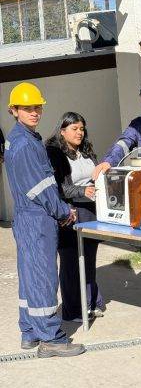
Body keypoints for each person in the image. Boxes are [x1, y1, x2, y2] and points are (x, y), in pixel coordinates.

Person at [4, 82, 85, 358]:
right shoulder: (26, 144)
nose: (34, 112)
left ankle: (29, 332)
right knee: (43, 278)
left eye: (37, 107)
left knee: (30, 276)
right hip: (37, 218)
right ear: (14, 110)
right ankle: (51, 338)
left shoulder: (21, 138)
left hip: (27, 217)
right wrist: (63, 211)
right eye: (27, 108)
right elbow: (41, 188)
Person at [46, 112, 104, 322]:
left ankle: (90, 302)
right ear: (62, 131)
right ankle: (72, 310)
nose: (80, 133)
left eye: (82, 129)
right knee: (71, 262)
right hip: (69, 213)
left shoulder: (86, 152)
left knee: (89, 259)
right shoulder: (55, 153)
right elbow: (58, 187)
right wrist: (82, 191)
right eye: (74, 129)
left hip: (91, 211)